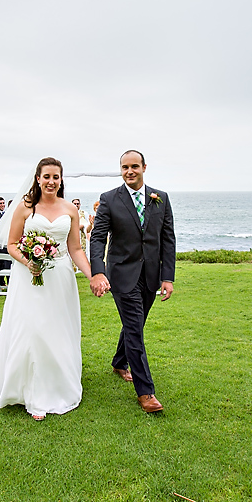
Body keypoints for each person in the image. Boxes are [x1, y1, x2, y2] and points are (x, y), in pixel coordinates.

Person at [0, 158, 93, 421]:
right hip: (29, 277)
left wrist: (92, 275)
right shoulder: (25, 207)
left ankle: (57, 383)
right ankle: (32, 391)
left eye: (56, 177)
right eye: (47, 177)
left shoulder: (70, 209)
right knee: (32, 329)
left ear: (61, 179)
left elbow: (75, 248)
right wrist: (29, 261)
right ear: (38, 179)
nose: (51, 182)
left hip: (61, 277)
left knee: (57, 328)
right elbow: (11, 244)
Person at [89, 150, 175, 414]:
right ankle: (146, 391)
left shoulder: (161, 198)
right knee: (136, 330)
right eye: (125, 167)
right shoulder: (109, 199)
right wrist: (98, 271)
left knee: (133, 324)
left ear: (144, 167)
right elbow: (97, 237)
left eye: (134, 166)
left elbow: (168, 239)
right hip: (122, 275)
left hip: (150, 276)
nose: (129, 171)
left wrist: (167, 277)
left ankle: (118, 361)